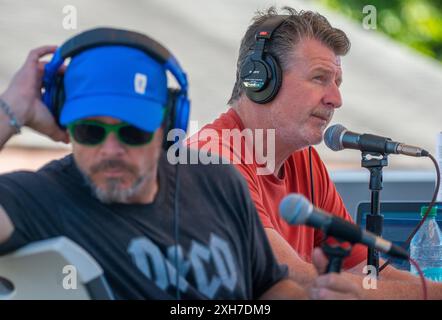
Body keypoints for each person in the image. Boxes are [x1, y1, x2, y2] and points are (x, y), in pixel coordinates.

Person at [0, 27, 307, 299]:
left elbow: (272, 285)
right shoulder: (41, 198)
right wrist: (11, 111)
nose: (110, 150)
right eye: (89, 131)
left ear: (168, 125)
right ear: (66, 127)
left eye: (133, 131)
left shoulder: (218, 180)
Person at [187, 7, 442, 299]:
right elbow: (301, 284)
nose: (336, 99)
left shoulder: (304, 159)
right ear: (260, 80)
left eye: (337, 83)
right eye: (320, 78)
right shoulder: (210, 160)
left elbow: (366, 274)